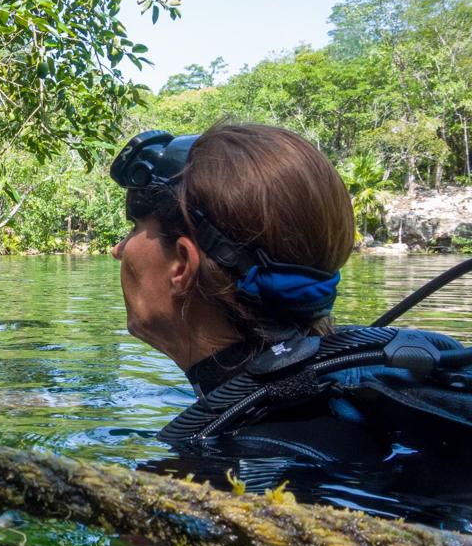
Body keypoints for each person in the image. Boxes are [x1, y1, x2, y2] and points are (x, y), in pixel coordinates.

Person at [108, 123, 472, 462]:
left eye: (134, 229)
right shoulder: (361, 382)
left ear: (183, 265)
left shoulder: (232, 469)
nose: (119, 249)